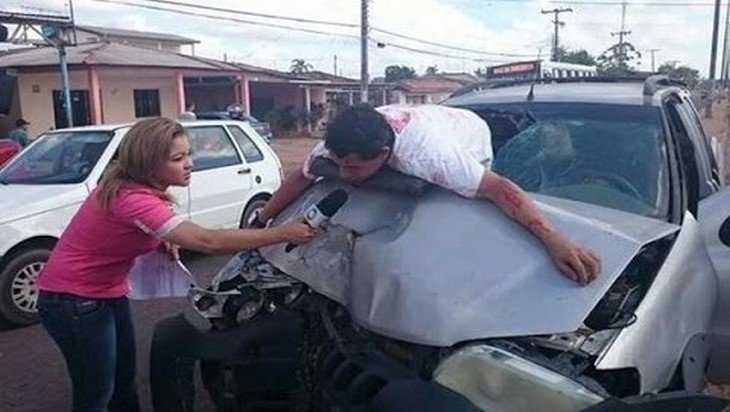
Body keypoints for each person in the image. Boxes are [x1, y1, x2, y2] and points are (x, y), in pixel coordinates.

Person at [36, 117, 315, 412]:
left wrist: (161, 240)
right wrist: (283, 233)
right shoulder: (132, 199)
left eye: (188, 154)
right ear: (148, 163)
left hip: (103, 294)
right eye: (177, 158)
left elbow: (118, 232)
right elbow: (207, 241)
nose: (189, 164)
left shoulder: (130, 187)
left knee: (123, 382)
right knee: (96, 394)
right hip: (74, 301)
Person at [254, 104, 601, 285]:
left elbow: (500, 189)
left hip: (469, 133)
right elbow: (299, 178)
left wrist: (555, 240)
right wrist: (263, 219)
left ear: (385, 154)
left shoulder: (431, 158)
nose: (344, 174)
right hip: (428, 121)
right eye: (340, 165)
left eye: (355, 168)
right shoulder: (338, 146)